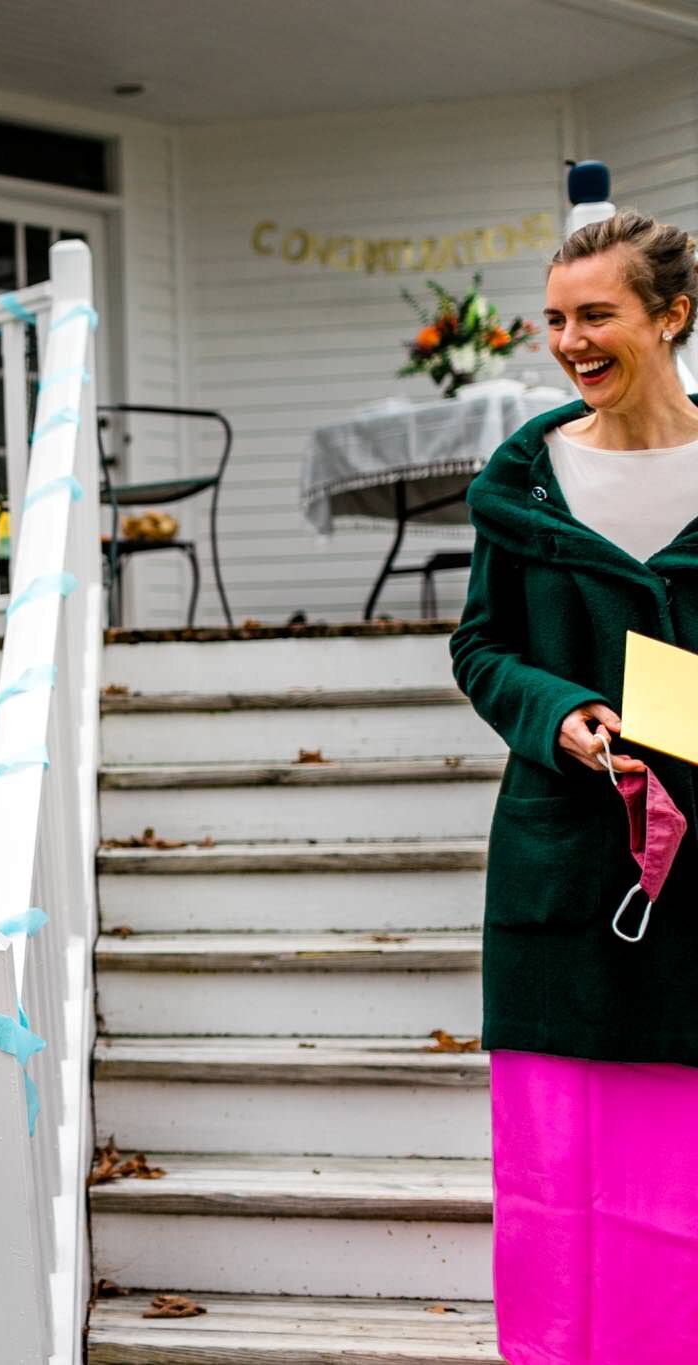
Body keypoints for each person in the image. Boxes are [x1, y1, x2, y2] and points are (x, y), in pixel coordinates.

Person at [451, 209, 698, 1364]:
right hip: (560, 859)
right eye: (552, 318)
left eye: (594, 314)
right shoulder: (522, 483)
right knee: (558, 1164)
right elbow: (480, 647)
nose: (567, 340)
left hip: (695, 873)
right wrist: (560, 718)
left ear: (669, 316)